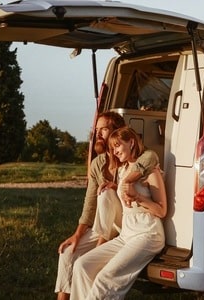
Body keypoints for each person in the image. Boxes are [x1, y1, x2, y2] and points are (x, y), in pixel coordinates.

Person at [55, 112, 159, 300]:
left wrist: (125, 182)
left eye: (102, 129)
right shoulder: (98, 163)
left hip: (125, 223)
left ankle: (100, 246)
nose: (98, 134)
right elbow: (89, 203)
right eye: (96, 130)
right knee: (68, 254)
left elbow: (151, 158)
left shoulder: (134, 157)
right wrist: (77, 234)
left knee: (106, 194)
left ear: (117, 131)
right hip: (103, 223)